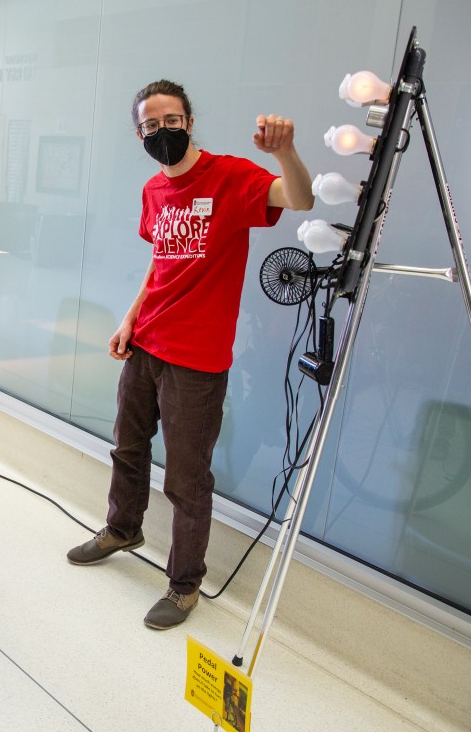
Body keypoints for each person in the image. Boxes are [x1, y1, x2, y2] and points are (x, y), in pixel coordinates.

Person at [65, 79, 314, 630]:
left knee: (186, 477)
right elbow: (161, 262)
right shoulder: (155, 189)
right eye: (151, 126)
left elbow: (299, 199)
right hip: (147, 343)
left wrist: (284, 153)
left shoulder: (229, 177)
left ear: (190, 122)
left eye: (171, 121)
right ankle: (123, 527)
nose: (162, 132)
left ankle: (184, 584)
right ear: (140, 134)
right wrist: (130, 319)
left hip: (197, 360)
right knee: (127, 448)